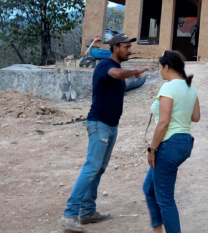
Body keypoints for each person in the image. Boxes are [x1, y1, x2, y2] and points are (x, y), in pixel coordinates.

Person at [60, 34, 146, 232]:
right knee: (92, 167)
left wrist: (131, 75)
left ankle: (88, 212)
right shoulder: (105, 65)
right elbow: (115, 74)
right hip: (100, 124)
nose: (129, 50)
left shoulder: (116, 67)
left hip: (110, 125)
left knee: (98, 168)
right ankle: (69, 214)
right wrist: (135, 71)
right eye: (126, 47)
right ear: (115, 48)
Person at [144, 51, 200, 233]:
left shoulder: (168, 87)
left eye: (161, 68)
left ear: (167, 67)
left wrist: (152, 149)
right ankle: (157, 229)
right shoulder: (191, 87)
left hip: (168, 144)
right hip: (185, 142)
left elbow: (164, 123)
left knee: (165, 199)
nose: (160, 72)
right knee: (149, 188)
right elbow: (196, 117)